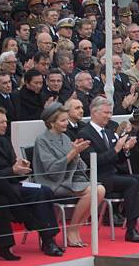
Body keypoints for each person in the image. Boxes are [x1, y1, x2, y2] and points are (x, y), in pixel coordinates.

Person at [0, 106, 64, 257]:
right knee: (33, 193)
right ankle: (46, 236)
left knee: (44, 190)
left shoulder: (5, 141)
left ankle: (48, 239)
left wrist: (22, 169)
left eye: (6, 122)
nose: (5, 125)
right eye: (1, 122)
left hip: (13, 185)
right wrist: (12, 171)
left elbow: (14, 170)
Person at [78, 97, 139, 243]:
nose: (109, 116)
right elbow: (93, 161)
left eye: (110, 112)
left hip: (114, 173)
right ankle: (131, 228)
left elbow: (119, 159)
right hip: (98, 177)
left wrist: (126, 150)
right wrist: (116, 149)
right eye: (106, 113)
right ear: (94, 112)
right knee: (131, 182)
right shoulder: (84, 133)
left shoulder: (108, 132)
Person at [33, 103, 106, 247]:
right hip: (52, 182)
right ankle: (71, 231)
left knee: (100, 190)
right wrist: (72, 153)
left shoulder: (65, 138)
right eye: (62, 120)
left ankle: (75, 228)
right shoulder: (42, 140)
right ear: (51, 123)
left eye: (66, 120)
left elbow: (79, 167)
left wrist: (77, 153)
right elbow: (51, 170)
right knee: (92, 191)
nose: (66, 123)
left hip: (70, 179)